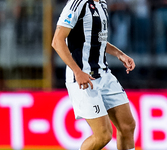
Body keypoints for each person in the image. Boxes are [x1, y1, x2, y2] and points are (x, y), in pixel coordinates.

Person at [52, 0, 136, 149]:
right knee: (103, 135)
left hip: (104, 74)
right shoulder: (78, 3)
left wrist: (119, 54)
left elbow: (96, 39)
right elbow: (57, 41)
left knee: (127, 126)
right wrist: (77, 72)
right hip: (84, 78)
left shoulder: (102, 3)